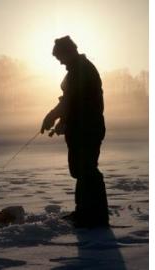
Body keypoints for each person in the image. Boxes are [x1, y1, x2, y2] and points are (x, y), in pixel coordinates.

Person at [40, 36, 109, 228]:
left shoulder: (82, 70)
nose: (60, 61)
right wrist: (60, 120)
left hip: (88, 129)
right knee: (81, 170)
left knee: (87, 170)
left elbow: (75, 103)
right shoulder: (76, 69)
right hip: (81, 128)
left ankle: (96, 217)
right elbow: (71, 102)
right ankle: (84, 212)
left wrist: (56, 117)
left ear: (68, 52)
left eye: (60, 57)